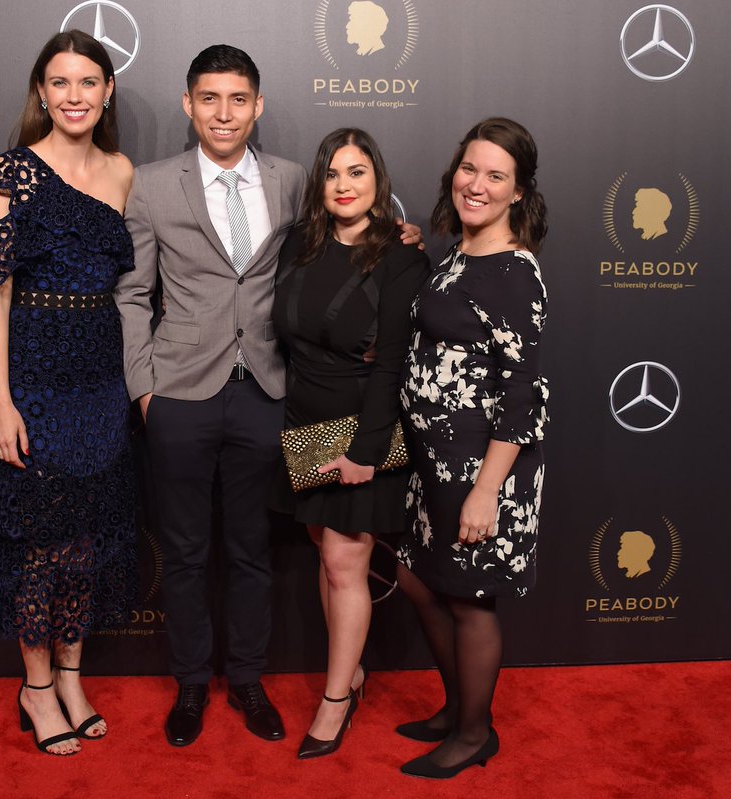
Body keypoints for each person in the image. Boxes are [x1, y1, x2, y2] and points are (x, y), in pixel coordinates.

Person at [114, 45, 421, 748]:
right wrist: (146, 391)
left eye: (239, 99)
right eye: (210, 99)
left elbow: (351, 236)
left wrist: (400, 235)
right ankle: (192, 683)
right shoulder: (154, 184)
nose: (225, 113)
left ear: (258, 106)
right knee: (186, 552)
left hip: (270, 393)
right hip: (180, 395)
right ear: (190, 105)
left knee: (253, 549)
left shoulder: (294, 183)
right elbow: (132, 294)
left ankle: (247, 679)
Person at [0, 30, 137, 757]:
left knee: (89, 536)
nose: (74, 96)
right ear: (42, 91)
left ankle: (71, 674)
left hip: (102, 374)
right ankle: (36, 687)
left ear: (107, 92)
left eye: (88, 82)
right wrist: (0, 402)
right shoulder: (10, 174)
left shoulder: (124, 171)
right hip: (34, 371)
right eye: (60, 83)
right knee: (39, 540)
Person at [396, 117, 549, 779]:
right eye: (469, 168)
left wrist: (487, 489)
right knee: (418, 579)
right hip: (433, 463)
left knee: (470, 598)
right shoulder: (459, 252)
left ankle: (474, 734)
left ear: (518, 192)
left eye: (495, 175)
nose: (476, 184)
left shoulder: (515, 272)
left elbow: (525, 395)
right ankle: (457, 708)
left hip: (483, 468)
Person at [272, 128, 428, 759]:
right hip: (303, 422)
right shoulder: (300, 243)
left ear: (378, 181)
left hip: (362, 427)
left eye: (357, 172)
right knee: (325, 555)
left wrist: (365, 452)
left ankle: (337, 698)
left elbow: (393, 363)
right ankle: (351, 675)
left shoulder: (401, 255)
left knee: (345, 564)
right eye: (333, 174)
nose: (344, 185)